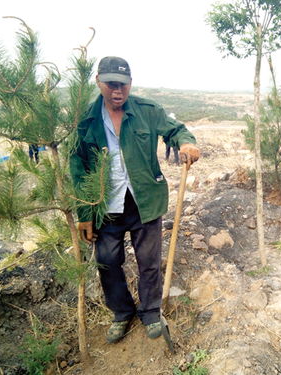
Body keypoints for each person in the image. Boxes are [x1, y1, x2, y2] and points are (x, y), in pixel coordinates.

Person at [70, 56, 200, 344]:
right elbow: (77, 168)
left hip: (145, 200)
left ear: (131, 84)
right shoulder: (85, 121)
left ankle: (151, 312)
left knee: (149, 262)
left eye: (124, 85)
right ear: (98, 82)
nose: (118, 91)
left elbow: (175, 129)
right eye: (111, 84)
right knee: (107, 262)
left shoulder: (147, 111)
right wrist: (84, 212)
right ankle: (121, 312)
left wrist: (186, 142)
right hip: (105, 204)